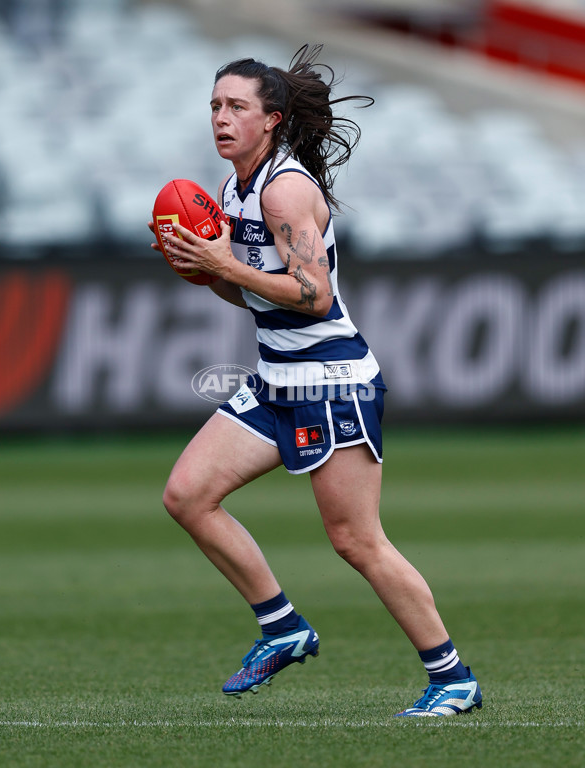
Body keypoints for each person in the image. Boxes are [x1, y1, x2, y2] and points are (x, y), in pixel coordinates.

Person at [149, 44, 482, 717]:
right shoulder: (236, 188)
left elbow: (313, 294)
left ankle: (452, 677)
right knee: (187, 495)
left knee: (356, 540)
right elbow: (255, 299)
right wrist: (205, 268)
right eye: (215, 106)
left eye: (236, 106)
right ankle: (283, 627)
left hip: (330, 380)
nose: (220, 118)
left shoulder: (284, 187)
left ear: (270, 119)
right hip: (279, 380)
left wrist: (227, 265)